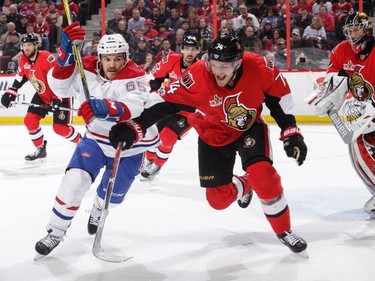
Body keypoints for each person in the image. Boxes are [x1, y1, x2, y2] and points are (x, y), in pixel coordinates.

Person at [108, 34, 309, 254]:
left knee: (264, 176)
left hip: (247, 128)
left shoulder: (260, 67)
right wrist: (135, 126)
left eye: (225, 66)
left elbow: (279, 99)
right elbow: (163, 103)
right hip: (211, 134)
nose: (218, 71)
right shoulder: (197, 75)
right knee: (218, 201)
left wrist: (290, 132)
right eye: (214, 64)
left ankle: (284, 231)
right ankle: (245, 185)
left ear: (238, 62)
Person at [34, 23, 159, 257]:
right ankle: (55, 231)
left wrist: (103, 107)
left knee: (112, 196)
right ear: (99, 56)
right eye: (107, 59)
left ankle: (100, 208)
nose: (112, 64)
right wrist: (66, 54)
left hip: (129, 145)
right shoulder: (87, 68)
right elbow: (59, 88)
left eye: (118, 59)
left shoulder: (136, 76)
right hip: (96, 139)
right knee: (73, 181)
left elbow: (133, 106)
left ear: (126, 58)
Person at [308, 12, 375, 218]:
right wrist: (324, 96)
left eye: (356, 29)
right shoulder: (341, 50)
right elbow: (333, 80)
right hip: (363, 112)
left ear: (366, 29)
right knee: (357, 146)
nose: (352, 34)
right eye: (349, 30)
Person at [0, 33, 81, 163]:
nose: (26, 48)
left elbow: (59, 79)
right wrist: (11, 92)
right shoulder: (23, 60)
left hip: (60, 94)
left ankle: (81, 143)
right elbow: (20, 78)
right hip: (42, 96)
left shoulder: (47, 58)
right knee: (30, 121)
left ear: (35, 45)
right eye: (24, 45)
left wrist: (57, 98)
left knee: (60, 128)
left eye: (29, 45)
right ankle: (40, 149)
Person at [140, 35, 199, 180]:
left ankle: (157, 166)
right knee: (152, 133)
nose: (190, 53)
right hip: (168, 105)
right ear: (182, 50)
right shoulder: (171, 59)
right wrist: (154, 95)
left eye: (193, 49)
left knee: (167, 137)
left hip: (188, 110)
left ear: (198, 51)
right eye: (187, 49)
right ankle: (148, 161)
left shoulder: (202, 68)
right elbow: (156, 78)